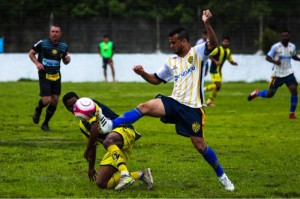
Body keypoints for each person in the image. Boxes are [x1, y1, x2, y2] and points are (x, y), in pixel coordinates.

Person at [97, 10, 235, 191]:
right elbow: (156, 79)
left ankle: (223, 177)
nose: (171, 46)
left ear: (184, 41)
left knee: (200, 146)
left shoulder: (198, 52)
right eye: (170, 43)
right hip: (173, 102)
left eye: (173, 42)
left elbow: (214, 44)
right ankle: (110, 124)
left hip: (192, 108)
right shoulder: (171, 61)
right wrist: (143, 73)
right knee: (144, 106)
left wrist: (206, 23)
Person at [62, 92, 154, 191]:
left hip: (124, 130)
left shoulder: (90, 105)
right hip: (113, 148)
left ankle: (125, 175)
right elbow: (93, 145)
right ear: (67, 109)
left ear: (79, 100)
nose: (73, 108)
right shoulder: (83, 126)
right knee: (102, 183)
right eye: (69, 107)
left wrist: (86, 150)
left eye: (74, 103)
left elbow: (95, 129)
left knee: (108, 140)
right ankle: (141, 174)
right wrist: (91, 168)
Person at [248, 30, 300, 119]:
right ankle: (257, 93)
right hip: (277, 75)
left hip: (289, 73)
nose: (285, 37)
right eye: (283, 36)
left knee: (294, 90)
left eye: (287, 36)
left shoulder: (293, 47)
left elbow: (294, 56)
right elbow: (267, 57)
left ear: (289, 37)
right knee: (270, 94)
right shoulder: (276, 47)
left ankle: (292, 113)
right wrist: (275, 61)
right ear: (281, 37)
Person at [29, 25, 70, 131]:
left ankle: (45, 124)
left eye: (57, 31)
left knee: (55, 100)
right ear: (50, 33)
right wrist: (37, 63)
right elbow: (31, 53)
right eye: (53, 31)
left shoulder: (63, 46)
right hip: (44, 74)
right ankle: (38, 109)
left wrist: (67, 59)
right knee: (47, 100)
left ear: (60, 34)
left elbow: (65, 61)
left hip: (56, 75)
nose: (55, 33)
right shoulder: (42, 43)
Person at [204, 36, 238, 107]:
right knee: (217, 85)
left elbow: (230, 60)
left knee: (218, 87)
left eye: (227, 42)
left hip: (219, 71)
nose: (225, 43)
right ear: (222, 42)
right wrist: (215, 61)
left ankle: (209, 101)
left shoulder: (228, 51)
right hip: (213, 69)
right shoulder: (218, 49)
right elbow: (209, 55)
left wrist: (234, 63)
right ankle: (201, 90)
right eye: (224, 41)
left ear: (229, 43)